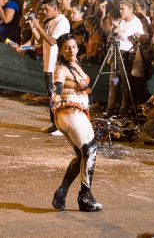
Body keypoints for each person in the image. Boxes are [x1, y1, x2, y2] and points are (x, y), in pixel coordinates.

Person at [50, 34, 103, 212]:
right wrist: (56, 98)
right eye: (66, 47)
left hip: (75, 113)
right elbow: (56, 88)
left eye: (73, 46)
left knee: (82, 155)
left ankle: (61, 192)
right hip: (70, 113)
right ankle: (85, 197)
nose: (71, 50)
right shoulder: (61, 69)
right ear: (61, 51)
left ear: (78, 48)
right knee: (91, 150)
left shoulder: (75, 64)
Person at [20, 0, 68, 136]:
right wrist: (33, 26)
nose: (44, 12)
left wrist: (38, 24)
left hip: (57, 65)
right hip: (48, 64)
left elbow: (52, 41)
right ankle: (54, 124)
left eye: (46, 9)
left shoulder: (62, 22)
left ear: (55, 8)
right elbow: (41, 41)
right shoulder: (50, 22)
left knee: (57, 96)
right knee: (51, 96)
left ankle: (61, 126)